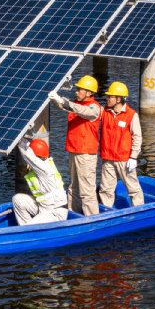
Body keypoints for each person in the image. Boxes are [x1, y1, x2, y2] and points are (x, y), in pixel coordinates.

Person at [48, 75, 102, 215]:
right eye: (77, 89)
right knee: (73, 187)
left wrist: (64, 102)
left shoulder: (94, 107)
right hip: (73, 151)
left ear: (89, 93)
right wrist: (56, 100)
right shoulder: (77, 105)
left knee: (87, 191)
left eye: (80, 89)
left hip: (85, 154)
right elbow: (65, 106)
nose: (76, 91)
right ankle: (72, 214)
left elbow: (82, 111)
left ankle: (92, 218)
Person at [97, 81, 143, 208]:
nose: (107, 99)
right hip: (108, 159)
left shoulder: (131, 115)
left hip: (124, 159)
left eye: (110, 96)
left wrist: (133, 157)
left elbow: (137, 137)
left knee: (133, 189)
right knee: (106, 189)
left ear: (118, 99)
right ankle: (107, 212)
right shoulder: (104, 112)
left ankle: (139, 210)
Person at [13, 136, 69, 225]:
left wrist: (17, 139)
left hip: (55, 212)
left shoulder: (44, 169)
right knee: (18, 199)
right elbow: (30, 150)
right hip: (43, 207)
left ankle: (27, 230)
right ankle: (25, 228)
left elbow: (29, 156)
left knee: (29, 228)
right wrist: (22, 138)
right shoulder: (42, 163)